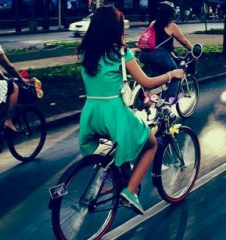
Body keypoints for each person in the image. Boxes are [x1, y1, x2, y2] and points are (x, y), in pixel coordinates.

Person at [77, 5, 184, 214]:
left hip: (90, 113)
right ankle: (130, 191)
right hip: (114, 114)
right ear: (116, 27)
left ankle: (117, 176)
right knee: (151, 144)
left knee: (117, 144)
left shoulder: (85, 52)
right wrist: (172, 75)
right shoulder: (120, 53)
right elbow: (147, 82)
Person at [139, 1, 192, 102]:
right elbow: (184, 42)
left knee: (163, 77)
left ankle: (152, 95)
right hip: (159, 56)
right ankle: (168, 102)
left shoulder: (153, 23)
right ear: (172, 14)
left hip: (144, 55)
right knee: (176, 74)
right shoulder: (171, 26)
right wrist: (194, 50)